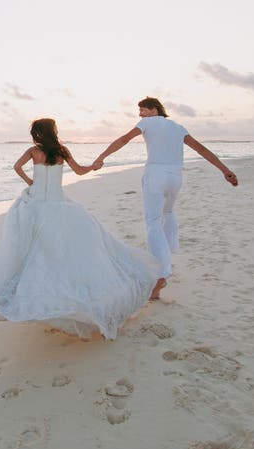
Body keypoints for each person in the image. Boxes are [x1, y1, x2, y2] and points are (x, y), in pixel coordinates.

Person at [0, 118, 161, 340]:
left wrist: (30, 182)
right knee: (60, 252)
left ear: (37, 134)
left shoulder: (33, 152)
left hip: (35, 205)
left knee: (34, 250)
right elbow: (80, 171)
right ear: (53, 132)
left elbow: (16, 167)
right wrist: (94, 166)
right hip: (58, 205)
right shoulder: (61, 151)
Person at [92, 97, 238, 299]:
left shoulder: (147, 123)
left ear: (154, 110)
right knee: (167, 213)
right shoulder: (178, 127)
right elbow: (201, 149)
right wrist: (225, 170)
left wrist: (102, 156)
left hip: (156, 174)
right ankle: (167, 255)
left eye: (142, 110)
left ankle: (160, 274)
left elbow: (124, 139)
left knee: (152, 221)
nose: (140, 114)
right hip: (176, 176)